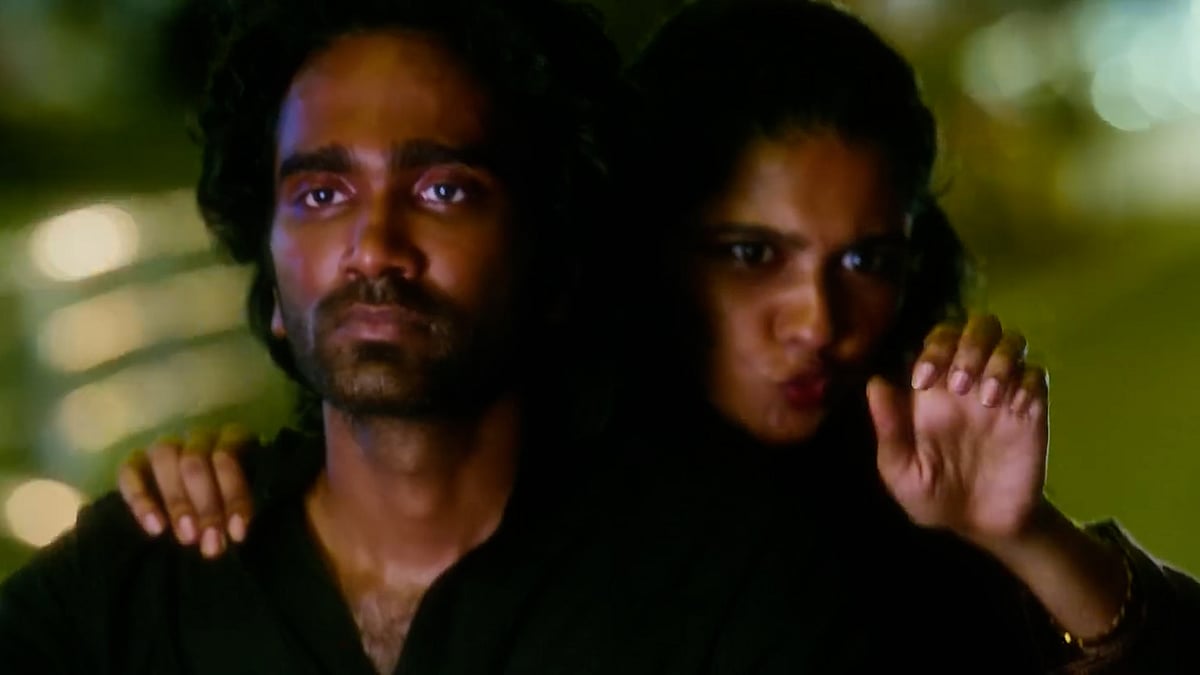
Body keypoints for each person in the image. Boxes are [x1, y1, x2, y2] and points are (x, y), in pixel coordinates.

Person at [117, 0, 1200, 672]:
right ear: (645, 246)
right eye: (751, 254)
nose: (817, 321)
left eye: (864, 261)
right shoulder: (528, 491)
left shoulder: (905, 488)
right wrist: (229, 490)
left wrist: (1023, 536)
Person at [6, 2, 853, 673]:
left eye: (443, 191)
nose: (375, 247)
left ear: (550, 258)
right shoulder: (140, 583)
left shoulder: (723, 588)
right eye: (321, 195)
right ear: (271, 277)